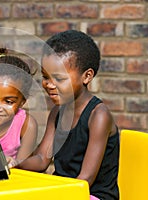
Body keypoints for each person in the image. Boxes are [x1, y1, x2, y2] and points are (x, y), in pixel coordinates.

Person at [14, 30, 119, 200]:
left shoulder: (98, 116)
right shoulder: (57, 112)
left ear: (87, 76)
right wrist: (12, 162)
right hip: (66, 191)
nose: (49, 84)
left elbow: (85, 180)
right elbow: (41, 159)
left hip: (91, 195)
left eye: (59, 79)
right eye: (45, 77)